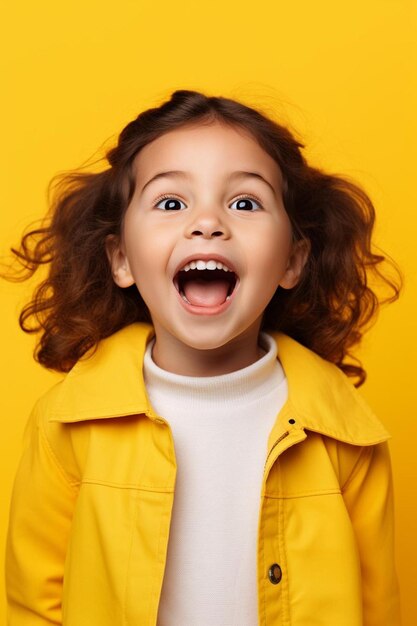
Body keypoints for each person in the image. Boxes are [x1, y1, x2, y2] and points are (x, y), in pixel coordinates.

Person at [4, 89, 401, 625]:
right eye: (171, 203)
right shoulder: (67, 423)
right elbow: (35, 606)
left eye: (245, 202)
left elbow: (379, 610)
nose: (207, 223)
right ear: (121, 258)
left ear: (292, 260)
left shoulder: (348, 435)